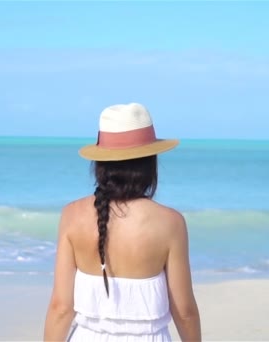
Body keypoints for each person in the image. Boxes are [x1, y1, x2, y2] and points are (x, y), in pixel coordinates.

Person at [44, 103, 201, 342]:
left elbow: (61, 307)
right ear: (150, 163)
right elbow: (184, 311)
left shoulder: (72, 215)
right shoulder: (170, 223)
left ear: (100, 163)